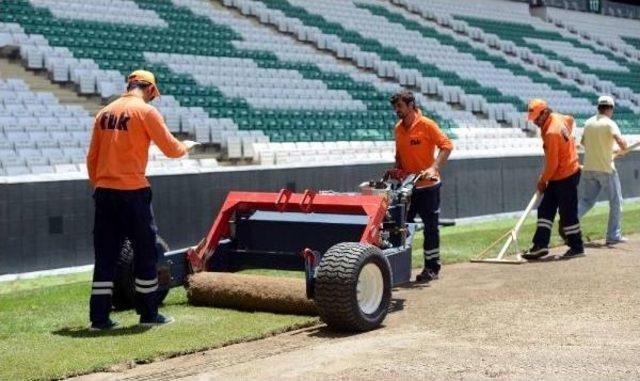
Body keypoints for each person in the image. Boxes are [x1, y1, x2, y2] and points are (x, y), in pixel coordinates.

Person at [86, 69, 199, 330]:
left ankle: (99, 319)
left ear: (130, 84)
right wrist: (186, 147)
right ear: (148, 89)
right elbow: (171, 149)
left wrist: (102, 184)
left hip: (104, 193)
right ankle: (148, 314)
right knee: (145, 253)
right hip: (133, 193)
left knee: (105, 257)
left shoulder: (104, 113)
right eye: (153, 94)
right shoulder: (146, 112)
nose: (152, 99)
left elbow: (92, 158)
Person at [387, 90, 453, 283]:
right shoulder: (398, 129)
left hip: (429, 188)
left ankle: (432, 268)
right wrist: (397, 169)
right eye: (395, 107)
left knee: (431, 228)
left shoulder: (427, 125)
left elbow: (447, 146)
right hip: (407, 188)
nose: (396, 110)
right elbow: (399, 155)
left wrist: (434, 168)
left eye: (399, 106)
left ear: (410, 105)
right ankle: (397, 271)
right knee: (400, 228)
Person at [523, 99, 584, 260]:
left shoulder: (551, 132)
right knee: (545, 209)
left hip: (566, 175)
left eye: (537, 118)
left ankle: (577, 247)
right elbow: (571, 120)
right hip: (561, 173)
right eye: (533, 118)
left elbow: (552, 163)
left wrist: (543, 180)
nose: (535, 121)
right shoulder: (559, 118)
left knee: (567, 213)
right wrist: (571, 148)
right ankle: (540, 245)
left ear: (545, 112)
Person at [577, 95, 628, 245]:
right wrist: (623, 149)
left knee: (586, 201)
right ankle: (613, 235)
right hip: (606, 169)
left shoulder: (588, 123)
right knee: (616, 201)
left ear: (599, 107)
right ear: (610, 109)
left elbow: (584, 143)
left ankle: (569, 223)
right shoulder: (609, 123)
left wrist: (605, 150)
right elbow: (622, 144)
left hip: (589, 168)